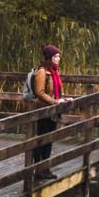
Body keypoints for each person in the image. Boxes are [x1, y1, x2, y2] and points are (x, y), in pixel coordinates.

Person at [29, 43, 66, 180]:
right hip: (43, 111)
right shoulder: (42, 72)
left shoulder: (55, 72)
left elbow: (57, 91)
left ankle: (46, 169)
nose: (58, 59)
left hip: (52, 111)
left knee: (49, 140)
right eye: (55, 56)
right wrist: (55, 102)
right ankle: (39, 170)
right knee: (41, 140)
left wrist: (63, 99)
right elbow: (40, 92)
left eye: (58, 56)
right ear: (49, 58)